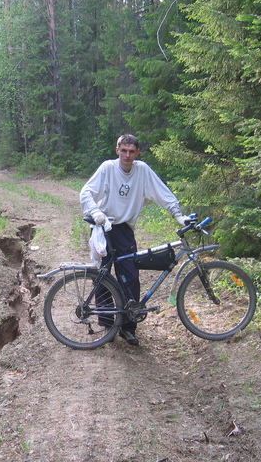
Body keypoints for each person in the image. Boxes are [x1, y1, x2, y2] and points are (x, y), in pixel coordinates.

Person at [80, 134, 188, 346]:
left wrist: (178, 215)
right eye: (124, 150)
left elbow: (161, 192)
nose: (127, 155)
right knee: (103, 275)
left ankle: (128, 327)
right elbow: (86, 193)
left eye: (131, 151)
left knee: (130, 276)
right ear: (117, 150)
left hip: (125, 230)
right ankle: (107, 323)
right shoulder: (107, 168)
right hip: (105, 227)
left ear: (137, 153)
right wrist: (95, 212)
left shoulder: (142, 170)